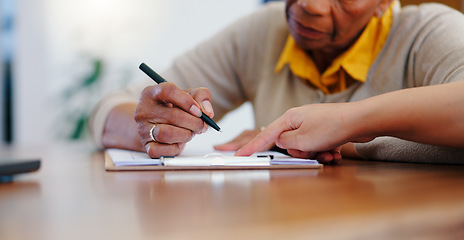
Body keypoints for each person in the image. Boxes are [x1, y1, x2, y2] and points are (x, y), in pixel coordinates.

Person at [90, 0, 464, 164]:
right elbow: (108, 109)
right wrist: (148, 124)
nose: (310, 6)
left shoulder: (427, 33)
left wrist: (342, 132)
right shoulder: (265, 30)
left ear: (386, 2)